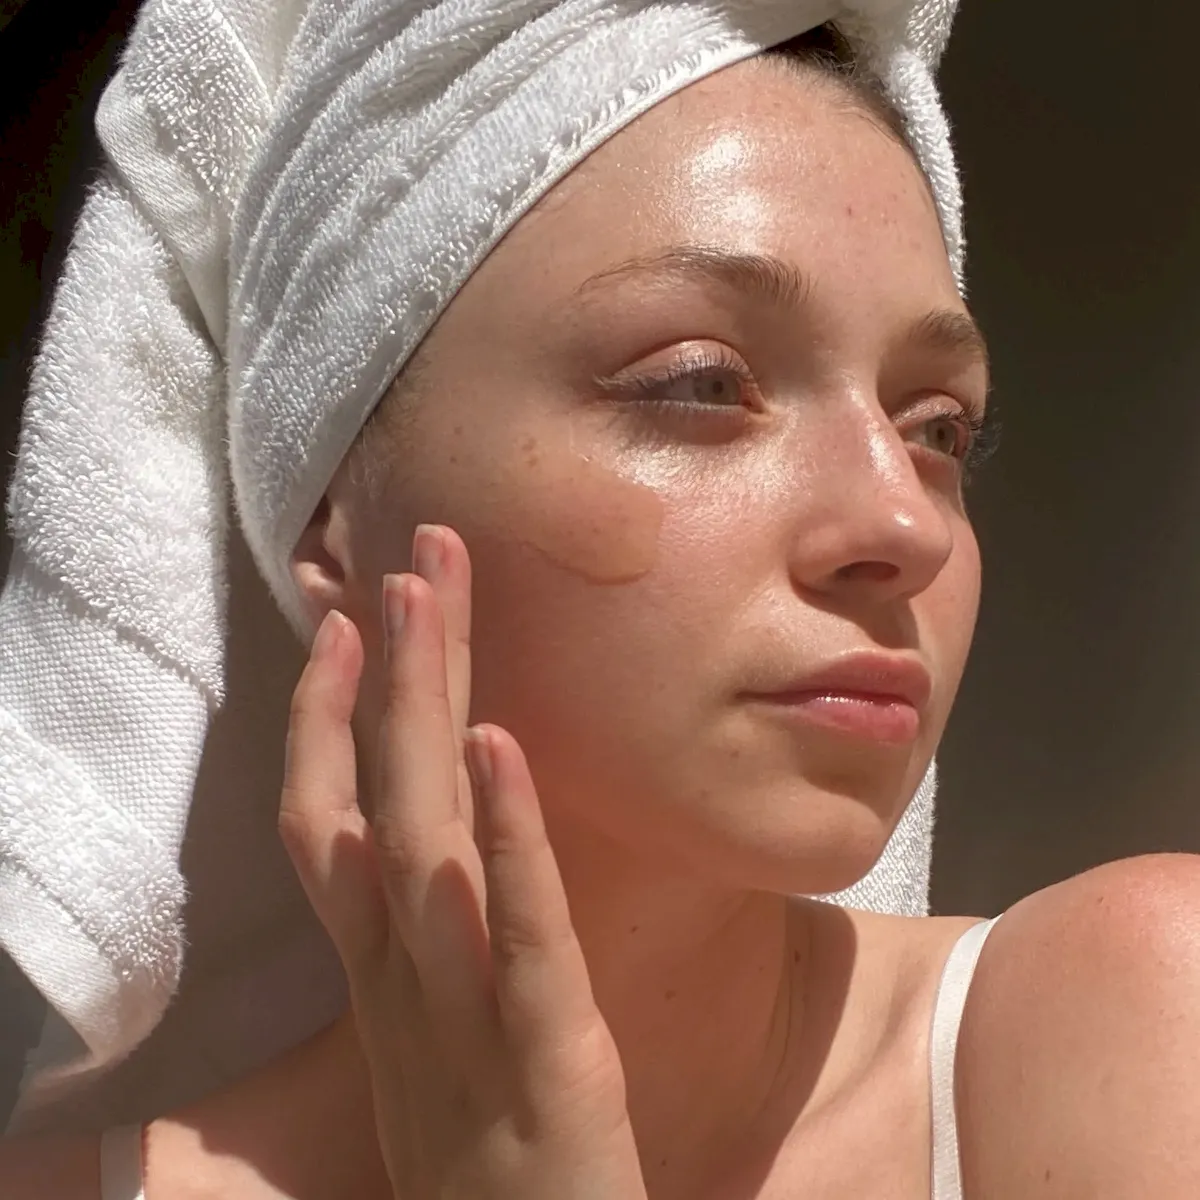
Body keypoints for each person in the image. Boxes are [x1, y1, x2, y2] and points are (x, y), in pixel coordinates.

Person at [3, 8, 1200, 1200]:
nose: (906, 525)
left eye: (937, 428)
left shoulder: (1133, 1024)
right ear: (332, 518)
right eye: (702, 384)